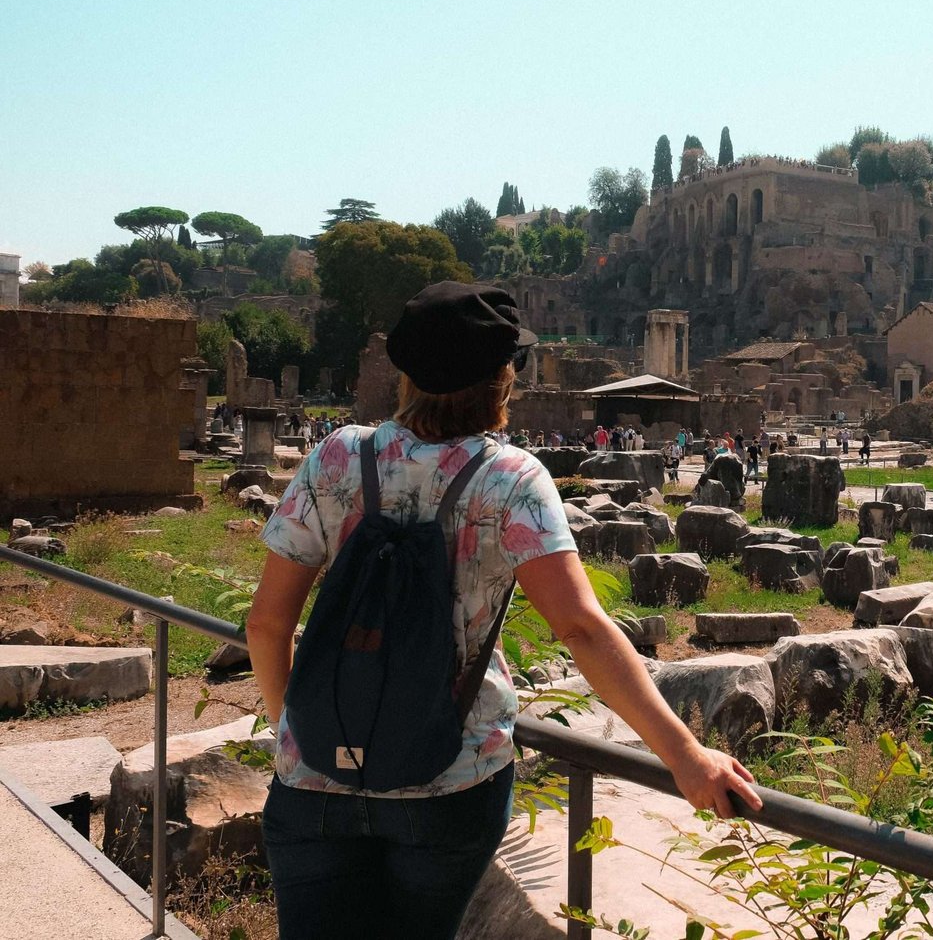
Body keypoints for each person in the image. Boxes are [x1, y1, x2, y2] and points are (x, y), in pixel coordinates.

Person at [246, 283, 758, 940]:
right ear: (502, 378)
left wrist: (300, 735)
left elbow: (266, 623)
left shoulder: (337, 456)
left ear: (406, 373)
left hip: (313, 775)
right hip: (447, 780)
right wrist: (686, 756)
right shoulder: (511, 478)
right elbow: (580, 627)